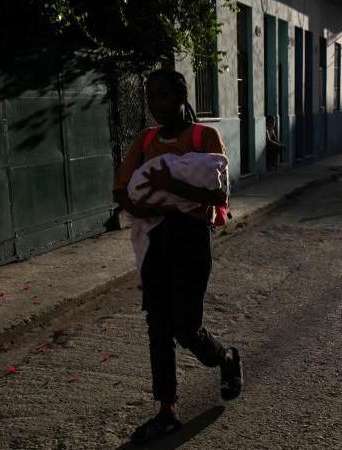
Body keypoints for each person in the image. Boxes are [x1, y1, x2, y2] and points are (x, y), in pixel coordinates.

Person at [113, 69, 243, 444]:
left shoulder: (204, 137)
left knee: (186, 327)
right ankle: (167, 410)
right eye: (151, 97)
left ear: (182, 95)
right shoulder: (146, 140)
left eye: (164, 95)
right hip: (156, 240)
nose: (156, 105)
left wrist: (171, 186)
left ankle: (226, 358)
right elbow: (121, 189)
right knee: (158, 326)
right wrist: (140, 204)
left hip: (190, 240)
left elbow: (219, 197)